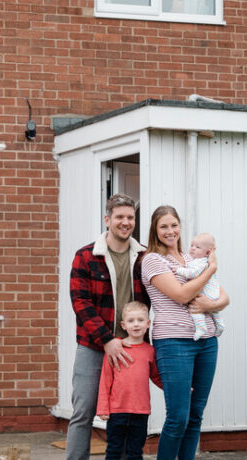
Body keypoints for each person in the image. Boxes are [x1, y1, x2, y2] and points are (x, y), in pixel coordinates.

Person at [140, 205, 229, 460]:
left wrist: (211, 304)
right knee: (178, 417)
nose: (171, 231)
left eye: (174, 225)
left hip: (207, 341)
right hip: (174, 342)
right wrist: (211, 269)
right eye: (164, 226)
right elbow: (181, 295)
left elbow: (223, 297)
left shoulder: (191, 259)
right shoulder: (152, 260)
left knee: (195, 415)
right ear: (155, 231)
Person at [66, 194, 150, 460]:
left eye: (130, 218)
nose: (125, 223)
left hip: (132, 349)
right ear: (107, 220)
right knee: (83, 412)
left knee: (130, 415)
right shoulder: (86, 256)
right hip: (93, 346)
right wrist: (107, 339)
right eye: (120, 217)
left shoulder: (145, 257)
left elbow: (159, 296)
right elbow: (80, 302)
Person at [96, 301, 162, 460]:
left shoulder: (150, 351)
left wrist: (179, 388)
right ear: (123, 325)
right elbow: (105, 381)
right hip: (117, 411)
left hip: (141, 411)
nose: (136, 324)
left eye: (140, 320)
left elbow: (157, 377)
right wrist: (103, 409)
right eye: (131, 321)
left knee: (135, 452)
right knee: (114, 450)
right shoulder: (115, 350)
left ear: (148, 323)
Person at [173, 233, 224, 340]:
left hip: (205, 294)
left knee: (195, 309)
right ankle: (220, 325)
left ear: (208, 252)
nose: (192, 249)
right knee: (214, 311)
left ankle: (201, 327)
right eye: (192, 245)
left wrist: (178, 270)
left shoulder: (200, 263)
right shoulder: (204, 262)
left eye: (197, 247)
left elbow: (193, 274)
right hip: (212, 293)